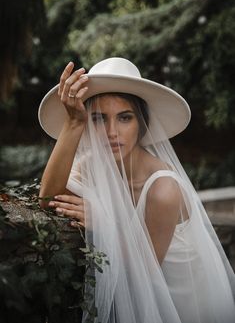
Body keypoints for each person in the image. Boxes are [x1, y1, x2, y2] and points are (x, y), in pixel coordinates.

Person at [38, 57, 235, 323]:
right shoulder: (92, 166)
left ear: (141, 125)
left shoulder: (163, 188)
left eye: (124, 118)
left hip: (185, 306)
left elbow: (147, 269)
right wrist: (73, 122)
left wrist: (103, 222)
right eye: (98, 119)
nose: (111, 131)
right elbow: (49, 199)